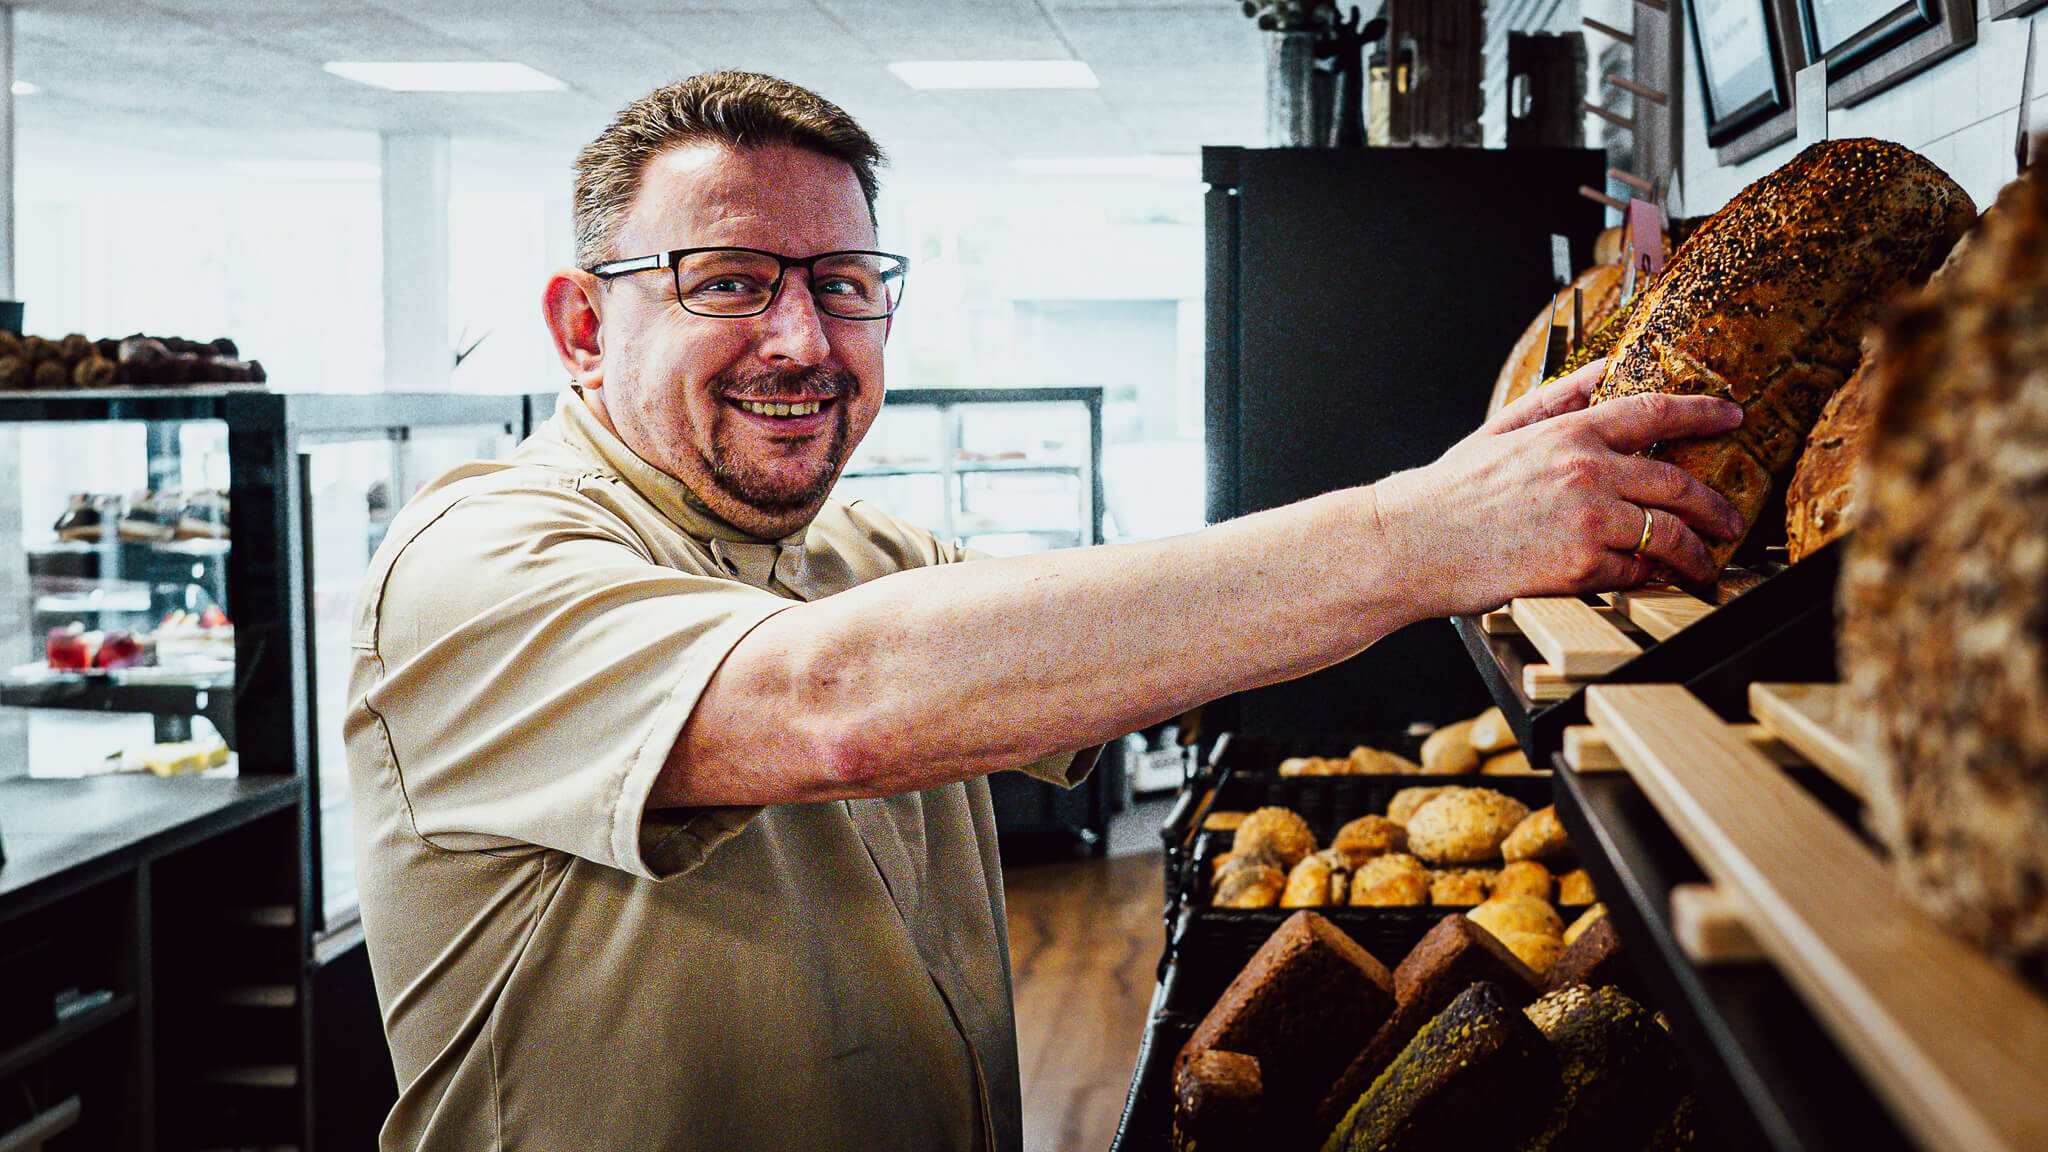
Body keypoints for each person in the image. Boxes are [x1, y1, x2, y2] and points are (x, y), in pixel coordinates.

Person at [345, 71, 1742, 1150]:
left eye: (844, 285)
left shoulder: (866, 549)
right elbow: (829, 707)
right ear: (584, 327)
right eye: (728, 284)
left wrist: (1508, 508)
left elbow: (1124, 656)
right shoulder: (474, 562)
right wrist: (1417, 533)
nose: (803, 341)